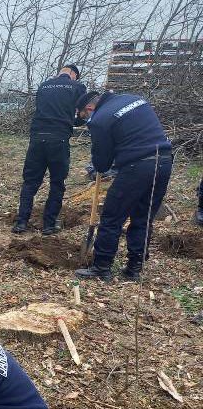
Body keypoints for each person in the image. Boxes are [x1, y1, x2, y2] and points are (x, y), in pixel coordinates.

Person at [74, 91, 173, 282]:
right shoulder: (134, 99)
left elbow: (101, 165)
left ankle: (101, 268)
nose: (87, 121)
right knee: (143, 218)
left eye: (84, 117)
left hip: (138, 166)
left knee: (112, 216)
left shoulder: (100, 119)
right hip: (164, 162)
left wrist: (101, 159)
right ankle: (134, 268)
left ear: (89, 108)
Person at [13, 64, 86, 235]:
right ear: (73, 75)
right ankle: (49, 225)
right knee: (57, 183)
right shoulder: (77, 87)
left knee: (30, 182)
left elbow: (45, 110)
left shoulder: (44, 86)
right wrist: (79, 121)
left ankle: (21, 223)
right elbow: (82, 113)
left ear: (60, 72)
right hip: (58, 140)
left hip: (37, 138)